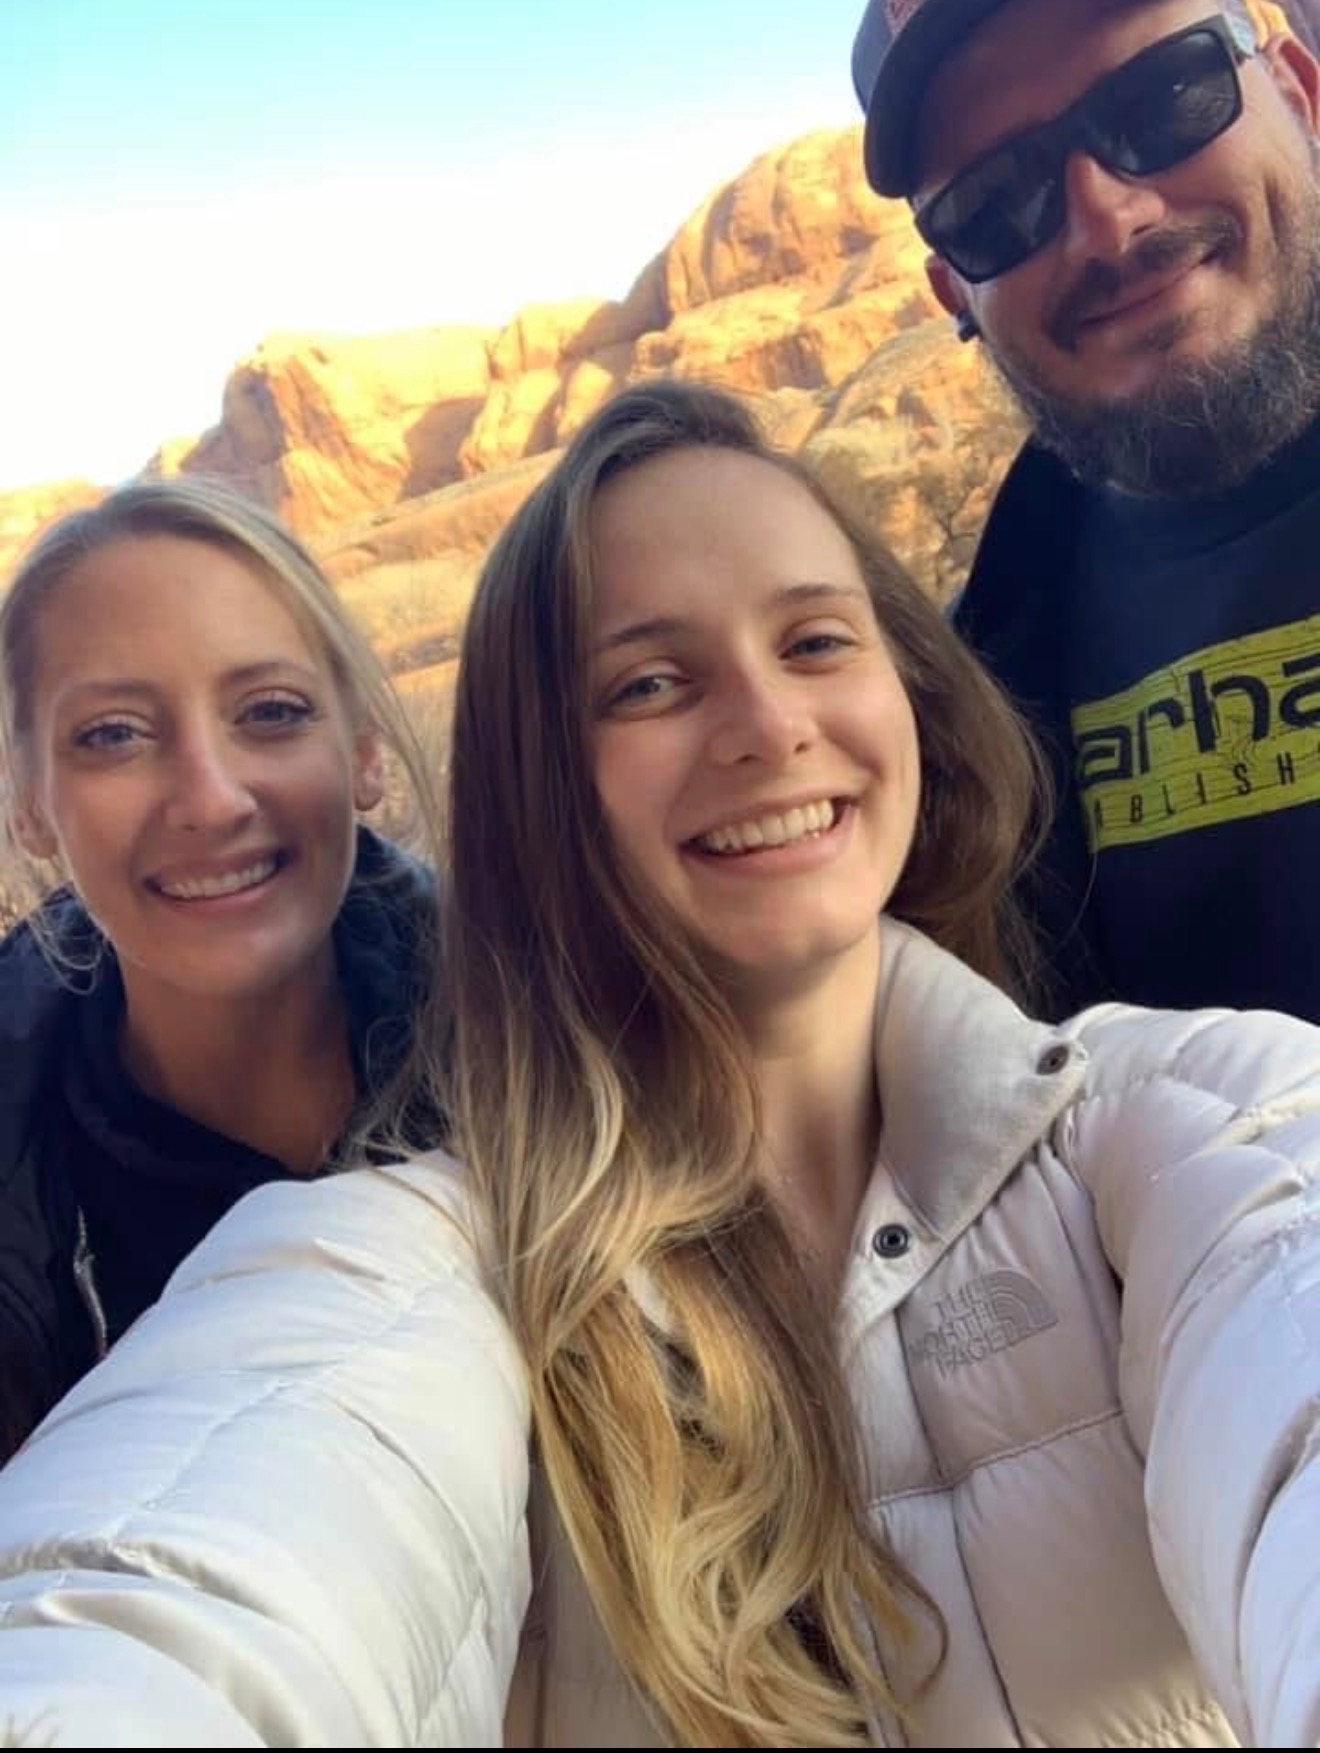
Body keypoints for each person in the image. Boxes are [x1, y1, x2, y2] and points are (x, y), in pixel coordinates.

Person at [0, 381, 1315, 1747]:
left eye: (815, 640)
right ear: (543, 786)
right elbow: (197, 1555)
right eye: (649, 683)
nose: (766, 724)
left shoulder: (1192, 1120)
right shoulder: (431, 1258)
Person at [852, 0, 1320, 1023]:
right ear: (955, 297)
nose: (1108, 223)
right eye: (995, 202)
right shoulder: (966, 727)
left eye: (1163, 99)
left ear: (1299, 92)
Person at [0, 477, 443, 1461]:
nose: (210, 799)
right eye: (114, 734)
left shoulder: (562, 1053)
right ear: (31, 804)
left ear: (365, 752)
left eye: (271, 711)